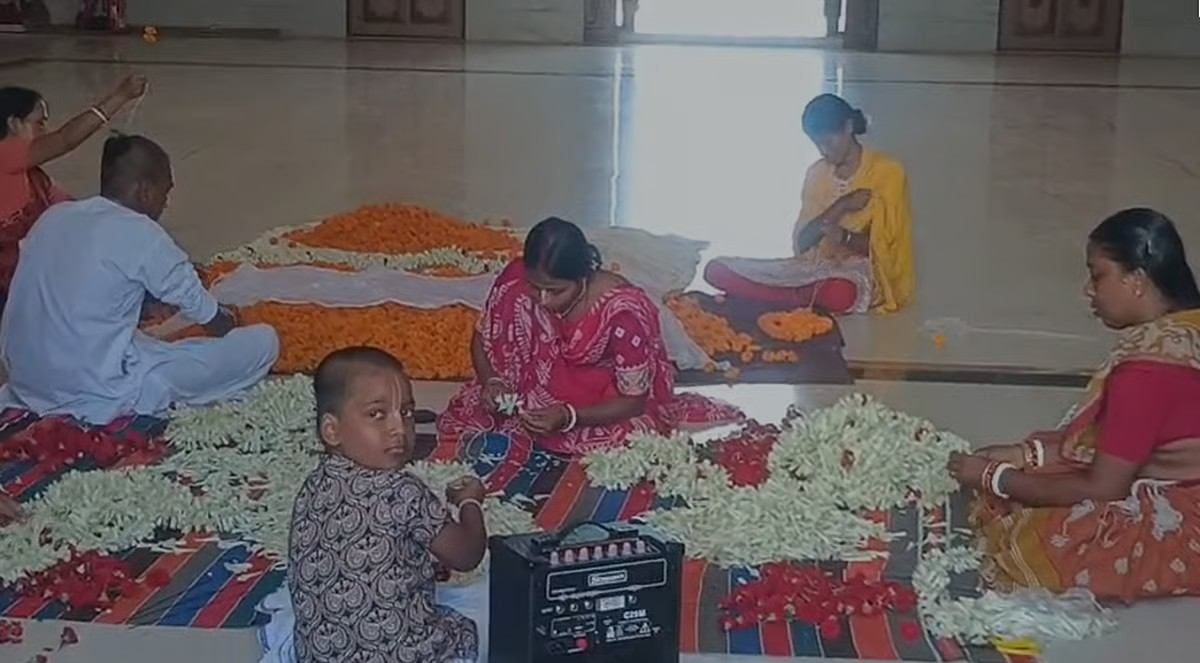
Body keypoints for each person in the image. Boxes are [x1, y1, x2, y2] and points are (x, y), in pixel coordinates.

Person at [949, 208, 1200, 603]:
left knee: (1042, 534)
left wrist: (996, 476)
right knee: (1033, 477)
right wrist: (1022, 456)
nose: (1088, 290)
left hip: (1189, 516)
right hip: (1163, 471)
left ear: (1136, 280)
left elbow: (1105, 486)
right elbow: (1120, 442)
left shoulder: (1149, 369)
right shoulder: (1184, 329)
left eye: (1097, 274)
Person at [0, 134, 279, 425]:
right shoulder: (141, 233)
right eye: (165, 193)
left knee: (142, 343)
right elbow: (208, 315)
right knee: (262, 342)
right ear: (145, 190)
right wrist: (229, 319)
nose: (165, 203)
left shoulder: (54, 217)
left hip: (26, 383)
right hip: (97, 393)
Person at [437, 217, 742, 476]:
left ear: (583, 275)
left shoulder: (623, 312)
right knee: (478, 414)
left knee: (633, 439)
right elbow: (482, 339)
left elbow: (633, 401)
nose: (543, 300)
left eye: (556, 291)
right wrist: (493, 381)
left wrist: (569, 416)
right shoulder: (516, 283)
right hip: (528, 396)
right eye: (536, 287)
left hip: (599, 407)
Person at [289, 347, 486, 663]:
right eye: (376, 414)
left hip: (321, 655)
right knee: (496, 600)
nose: (399, 429)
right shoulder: (402, 490)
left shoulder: (313, 485)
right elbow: (467, 555)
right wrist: (470, 503)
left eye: (406, 412)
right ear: (331, 430)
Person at [704, 94, 915, 315]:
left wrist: (845, 238)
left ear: (848, 127)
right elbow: (803, 243)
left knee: (840, 293)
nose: (823, 150)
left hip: (859, 274)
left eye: (829, 142)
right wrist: (841, 205)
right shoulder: (817, 173)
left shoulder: (888, 172)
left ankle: (770, 296)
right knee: (716, 269)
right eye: (817, 144)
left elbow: (886, 250)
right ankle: (793, 297)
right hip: (812, 269)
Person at [0, 76, 147, 310]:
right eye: (39, 123)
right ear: (14, 124)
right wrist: (120, 96)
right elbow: (65, 139)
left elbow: (75, 214)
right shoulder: (4, 157)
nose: (45, 131)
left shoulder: (36, 179)